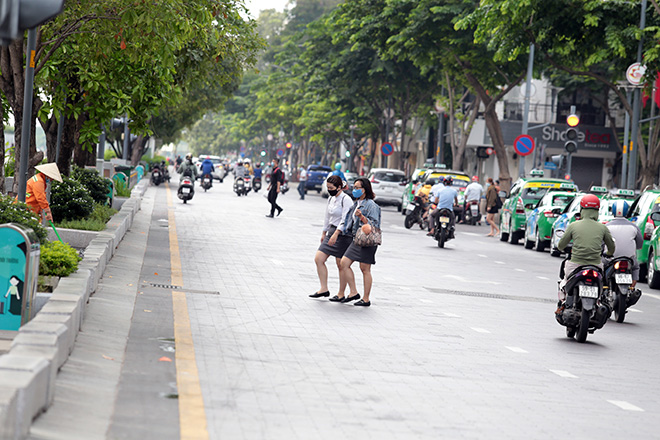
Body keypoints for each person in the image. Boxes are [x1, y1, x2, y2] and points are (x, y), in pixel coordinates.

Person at [329, 177, 381, 306]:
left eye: (358, 188)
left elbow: (375, 224)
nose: (355, 190)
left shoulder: (371, 205)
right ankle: (353, 292)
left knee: (365, 268)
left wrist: (362, 217)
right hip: (356, 238)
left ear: (365, 189)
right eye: (354, 187)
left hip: (367, 239)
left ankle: (366, 298)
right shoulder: (356, 203)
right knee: (344, 263)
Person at [557, 194, 615, 306]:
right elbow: (611, 247)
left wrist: (562, 248)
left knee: (564, 281)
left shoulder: (573, 226)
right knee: (602, 286)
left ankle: (563, 301)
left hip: (575, 264)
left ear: (582, 209)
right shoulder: (603, 228)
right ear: (597, 211)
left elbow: (561, 245)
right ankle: (598, 301)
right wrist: (608, 253)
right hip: (596, 266)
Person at [310, 176, 354, 299]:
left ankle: (341, 293)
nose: (329, 190)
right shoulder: (331, 198)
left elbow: (346, 219)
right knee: (319, 258)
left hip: (343, 234)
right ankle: (323, 288)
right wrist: (324, 232)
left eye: (331, 188)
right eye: (328, 187)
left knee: (340, 264)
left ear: (339, 187)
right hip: (331, 230)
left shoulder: (346, 199)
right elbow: (327, 217)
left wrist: (336, 233)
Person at [605, 200, 643, 290]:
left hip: (611, 258)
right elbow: (640, 243)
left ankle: (604, 285)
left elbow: (602, 243)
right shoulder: (634, 227)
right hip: (629, 259)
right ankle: (632, 286)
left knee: (602, 266)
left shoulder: (607, 226)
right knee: (636, 267)